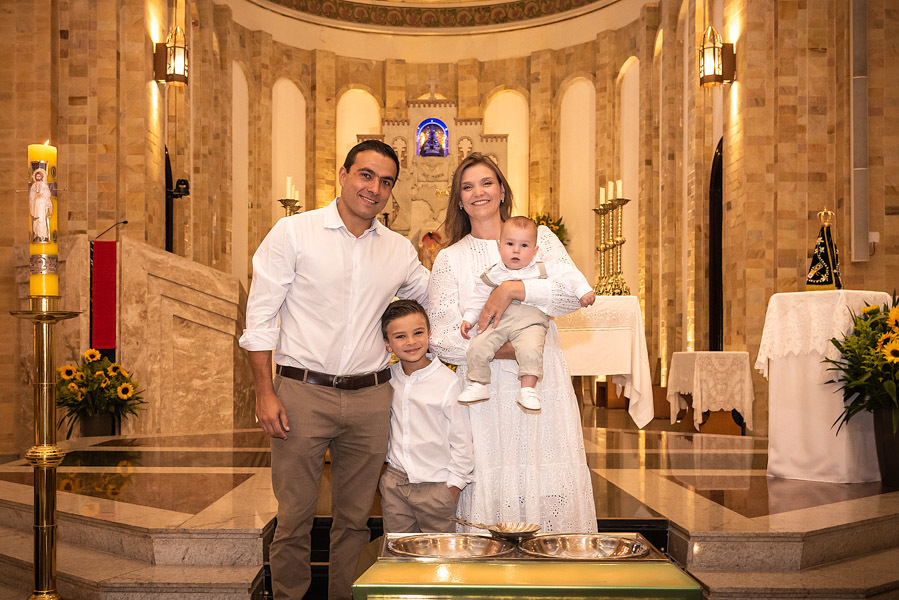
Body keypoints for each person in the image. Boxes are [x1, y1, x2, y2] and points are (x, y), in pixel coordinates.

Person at [239, 140, 430, 600]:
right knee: (295, 516)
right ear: (342, 175)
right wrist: (265, 393)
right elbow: (260, 316)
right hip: (302, 393)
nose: (374, 188)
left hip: (370, 398)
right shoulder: (294, 233)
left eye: (386, 182)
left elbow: (437, 299)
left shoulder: (399, 250)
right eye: (366, 175)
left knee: (355, 519)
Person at [427, 153, 597, 533]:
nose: (478, 193)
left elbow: (569, 296)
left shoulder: (540, 239)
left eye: (487, 183)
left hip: (541, 387)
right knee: (491, 481)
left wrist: (512, 289)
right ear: (458, 199)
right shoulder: (450, 259)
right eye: (467, 187)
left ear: (502, 190)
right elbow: (441, 337)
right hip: (484, 395)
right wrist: (511, 349)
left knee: (545, 481)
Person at [458, 216, 596, 410]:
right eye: (510, 244)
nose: (516, 250)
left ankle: (528, 389)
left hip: (531, 322)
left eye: (524, 245)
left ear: (534, 251)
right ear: (499, 247)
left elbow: (569, 274)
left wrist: (583, 291)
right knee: (478, 344)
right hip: (500, 321)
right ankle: (479, 383)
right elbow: (479, 296)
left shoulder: (541, 268)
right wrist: (469, 318)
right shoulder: (493, 273)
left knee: (531, 349)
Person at [378, 299, 474, 533]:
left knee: (439, 559)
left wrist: (453, 486)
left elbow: (462, 439)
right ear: (387, 344)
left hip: (437, 487)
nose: (411, 342)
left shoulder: (447, 383)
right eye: (400, 336)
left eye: (418, 333)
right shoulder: (389, 378)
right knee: (399, 555)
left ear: (429, 334)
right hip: (395, 485)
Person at [29, 167, 52, 243]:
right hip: (36, 203)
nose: (38, 177)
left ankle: (43, 234)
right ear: (35, 177)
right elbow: (31, 195)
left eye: (39, 176)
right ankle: (36, 233)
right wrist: (35, 195)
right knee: (36, 217)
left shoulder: (44, 185)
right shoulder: (34, 185)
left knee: (41, 218)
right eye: (37, 176)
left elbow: (47, 194)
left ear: (42, 177)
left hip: (42, 203)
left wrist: (42, 195)